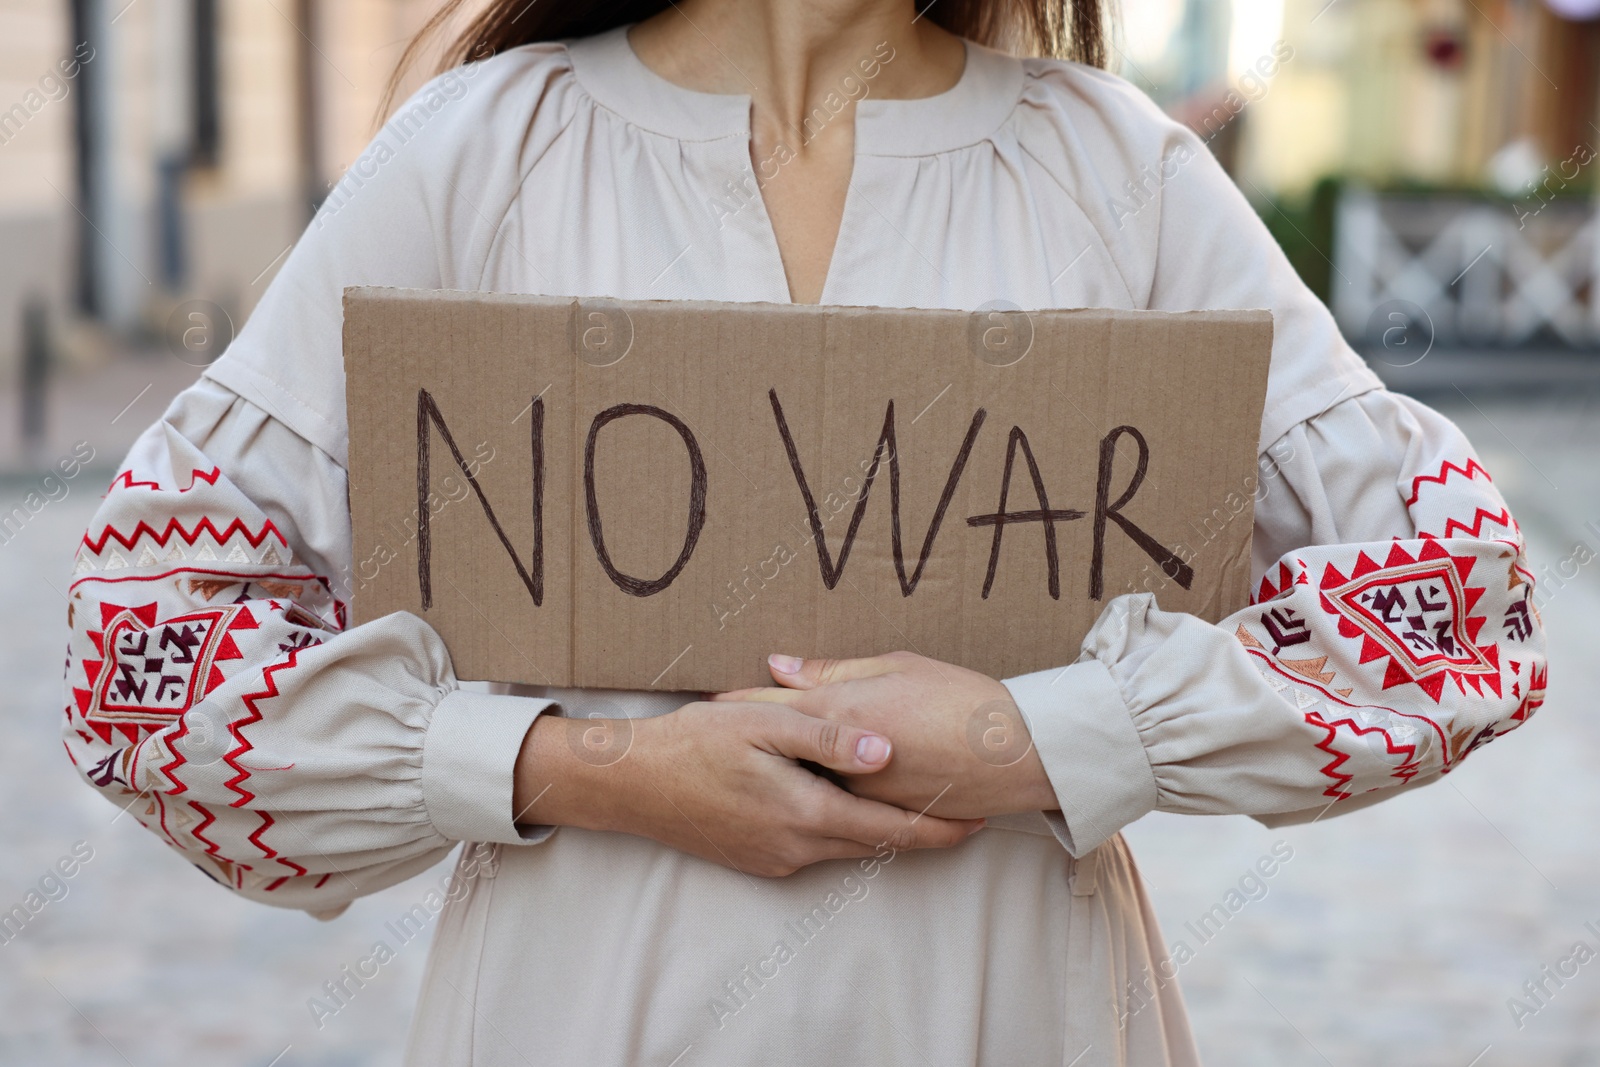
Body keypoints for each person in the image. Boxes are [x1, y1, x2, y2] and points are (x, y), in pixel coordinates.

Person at [60, 1, 1547, 1063]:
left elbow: (1460, 605)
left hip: (1008, 1013)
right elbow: (144, 654)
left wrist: (1049, 738)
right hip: (583, 1015)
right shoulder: (475, 152)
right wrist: (587, 769)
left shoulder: (1119, 173)